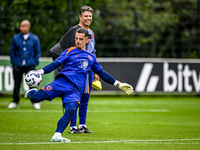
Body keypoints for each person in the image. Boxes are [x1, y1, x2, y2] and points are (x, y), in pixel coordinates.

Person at [24, 28, 133, 143]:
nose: (78, 41)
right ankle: (32, 92)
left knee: (71, 109)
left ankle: (57, 135)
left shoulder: (91, 57)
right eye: (76, 38)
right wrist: (40, 72)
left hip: (74, 90)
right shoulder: (69, 51)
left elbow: (102, 74)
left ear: (87, 40)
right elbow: (55, 64)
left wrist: (118, 84)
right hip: (61, 83)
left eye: (81, 39)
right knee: (35, 99)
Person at [50, 6, 98, 134]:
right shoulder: (74, 31)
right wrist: (66, 68)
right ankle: (72, 127)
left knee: (85, 98)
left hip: (88, 71)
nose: (88, 18)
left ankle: (82, 125)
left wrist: (96, 70)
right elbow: (57, 50)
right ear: (80, 17)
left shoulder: (91, 33)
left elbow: (92, 52)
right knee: (74, 98)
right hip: (76, 73)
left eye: (90, 16)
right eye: (85, 16)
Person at [8, 20, 41, 109]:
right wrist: (14, 62)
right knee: (17, 84)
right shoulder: (15, 38)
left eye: (23, 26)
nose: (21, 28)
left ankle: (34, 101)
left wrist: (35, 62)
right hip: (17, 65)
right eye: (21, 26)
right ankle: (15, 101)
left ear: (28, 27)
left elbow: (37, 52)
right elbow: (12, 51)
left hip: (30, 65)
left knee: (32, 85)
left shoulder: (34, 38)